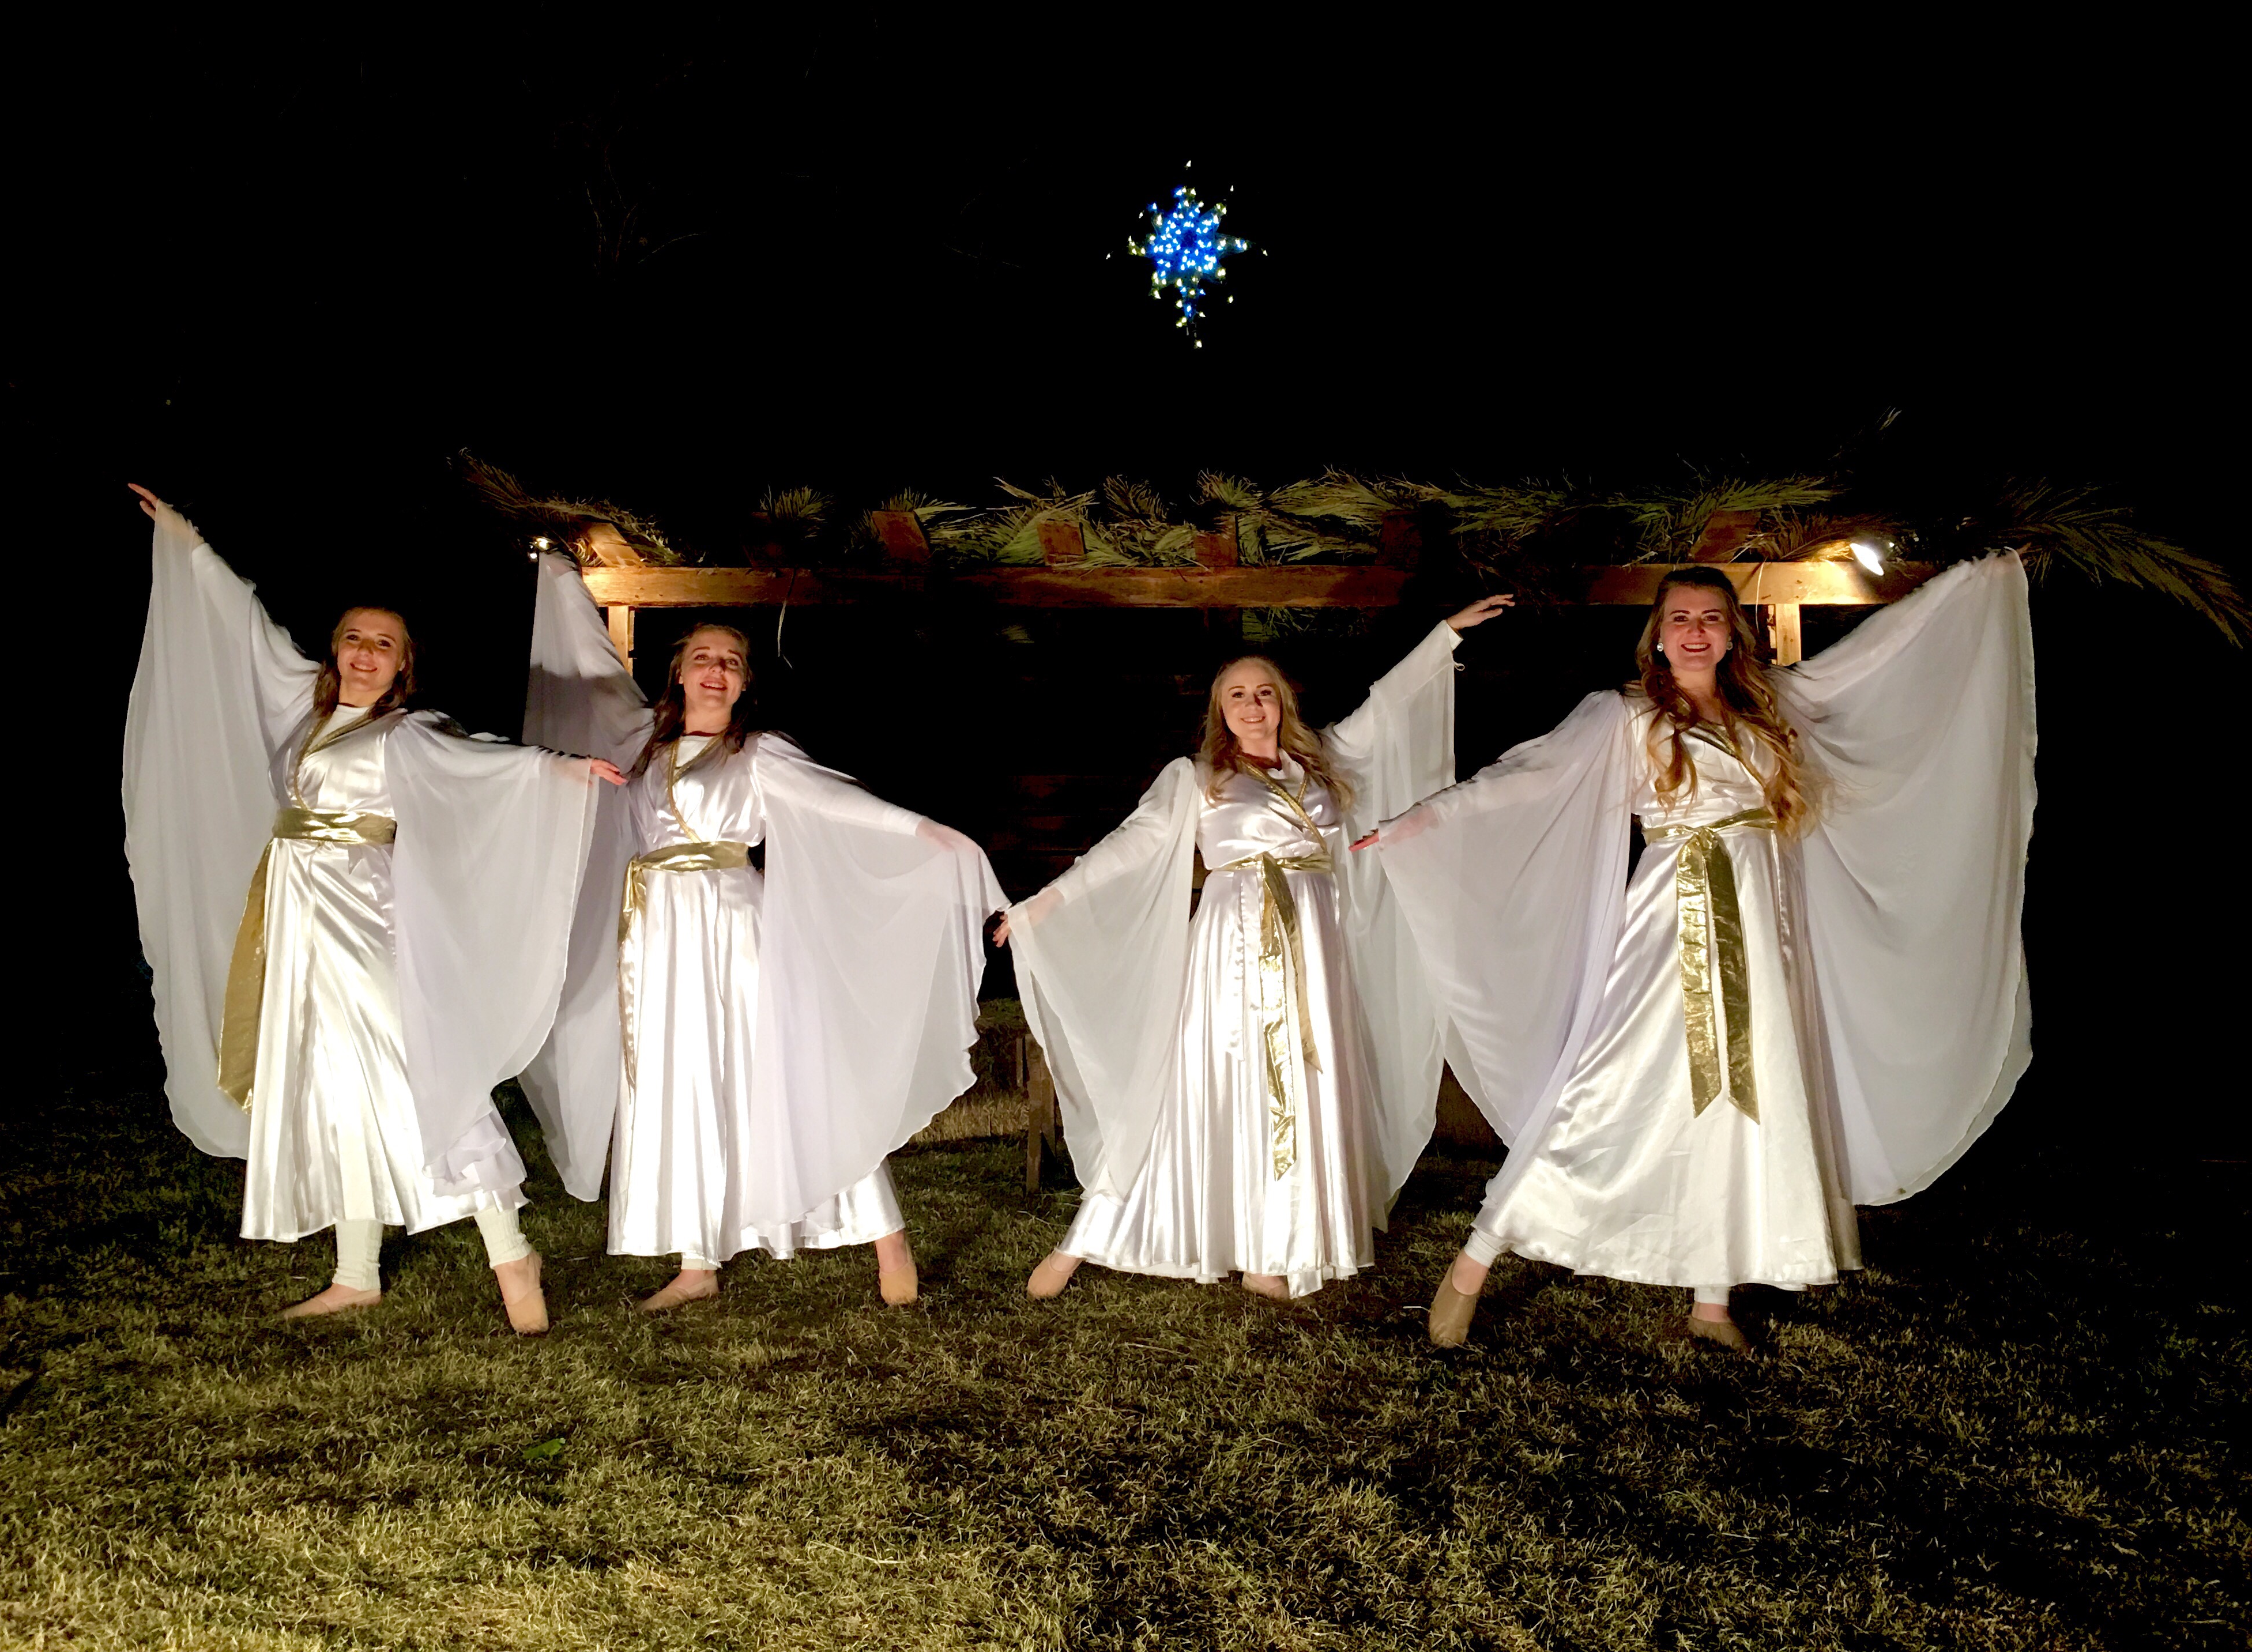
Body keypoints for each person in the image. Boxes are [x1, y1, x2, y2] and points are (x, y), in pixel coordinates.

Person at [1358, 559, 2036, 1351]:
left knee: (1748, 1093)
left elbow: (1873, 657)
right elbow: (1531, 775)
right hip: (1674, 926)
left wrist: (1965, 588)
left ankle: (1711, 1302)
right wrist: (1425, 820)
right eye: (1680, 617)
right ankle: (1474, 1262)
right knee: (1607, 1088)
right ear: (1658, 633)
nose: (1695, 631)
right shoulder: (1628, 714)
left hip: (1763, 927)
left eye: (1711, 617)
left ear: (1732, 632)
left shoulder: (1769, 706)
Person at [123, 485, 624, 1332]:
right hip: (302, 924)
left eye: (383, 645)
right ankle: (356, 1272)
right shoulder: (306, 712)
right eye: (354, 639)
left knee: (420, 1076)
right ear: (335, 651)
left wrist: (558, 770)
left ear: (403, 667)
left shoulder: (405, 735)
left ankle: (512, 1255)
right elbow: (246, 630)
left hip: (366, 924)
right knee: (330, 1083)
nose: (365, 653)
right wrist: (189, 546)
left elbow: (481, 764)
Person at [522, 555, 1006, 1308]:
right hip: (658, 938)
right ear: (679, 673)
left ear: (746, 682)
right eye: (703, 658)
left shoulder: (757, 753)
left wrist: (924, 833)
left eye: (732, 661)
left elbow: (838, 800)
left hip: (731, 929)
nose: (716, 670)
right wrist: (557, 581)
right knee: (680, 1082)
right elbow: (590, 693)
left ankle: (886, 1236)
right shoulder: (646, 749)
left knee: (784, 1076)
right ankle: (697, 1261)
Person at [999, 597, 1512, 1300]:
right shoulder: (1199, 777)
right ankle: (1091, 1237)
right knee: (1211, 1084)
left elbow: (1388, 707)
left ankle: (1273, 1251)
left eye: (1263, 692)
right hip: (1233, 943)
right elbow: (1131, 845)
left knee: (1303, 1080)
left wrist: (1444, 635)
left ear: (1282, 703)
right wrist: (1043, 903)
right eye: (1237, 694)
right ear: (1221, 710)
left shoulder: (1322, 760)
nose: (1252, 704)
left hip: (1312, 945)